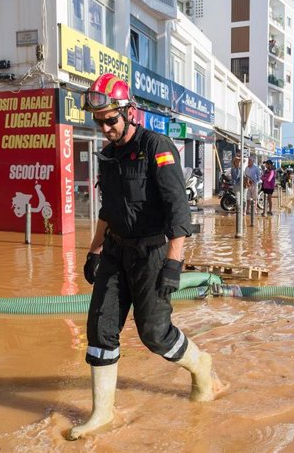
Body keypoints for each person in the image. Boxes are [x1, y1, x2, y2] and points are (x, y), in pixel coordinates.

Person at [68, 73, 224, 441]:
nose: (104, 127)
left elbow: (179, 211)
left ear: (129, 112)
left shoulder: (156, 146)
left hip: (153, 252)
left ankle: (200, 365)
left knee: (154, 333)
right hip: (116, 252)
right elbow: (108, 208)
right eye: (99, 121)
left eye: (110, 119)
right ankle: (102, 413)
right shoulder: (108, 155)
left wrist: (174, 263)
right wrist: (94, 251)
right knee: (100, 329)